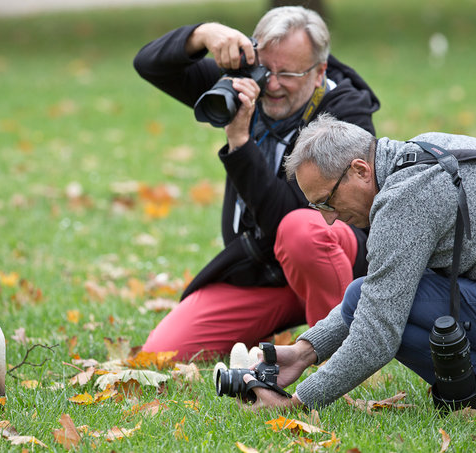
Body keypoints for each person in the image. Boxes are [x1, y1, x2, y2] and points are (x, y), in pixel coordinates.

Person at [241, 113, 476, 422]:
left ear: (360, 170)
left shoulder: (403, 202)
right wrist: (304, 352)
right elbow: (373, 293)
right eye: (316, 206)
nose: (328, 218)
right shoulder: (424, 149)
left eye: (328, 201)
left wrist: (296, 403)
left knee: (387, 312)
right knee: (372, 295)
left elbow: (377, 335)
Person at [133, 7, 380, 361]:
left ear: (318, 72)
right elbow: (149, 64)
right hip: (264, 271)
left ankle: (341, 358)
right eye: (266, 68)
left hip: (333, 263)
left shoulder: (345, 114)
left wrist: (240, 144)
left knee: (301, 231)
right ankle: (281, 329)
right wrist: (204, 34)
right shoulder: (249, 90)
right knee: (164, 351)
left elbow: (289, 219)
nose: (273, 85)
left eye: (288, 73)